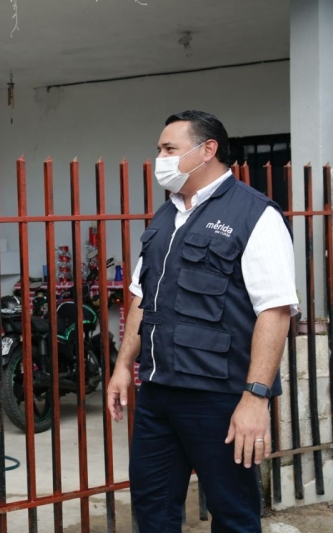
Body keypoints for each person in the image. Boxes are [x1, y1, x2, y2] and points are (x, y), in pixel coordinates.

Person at [106, 110, 297, 532]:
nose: (160, 159)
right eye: (159, 149)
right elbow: (141, 295)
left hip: (220, 397)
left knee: (233, 515)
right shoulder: (164, 217)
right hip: (157, 392)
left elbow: (275, 310)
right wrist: (122, 366)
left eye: (169, 149)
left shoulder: (255, 215)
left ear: (207, 150)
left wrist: (256, 397)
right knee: (152, 510)